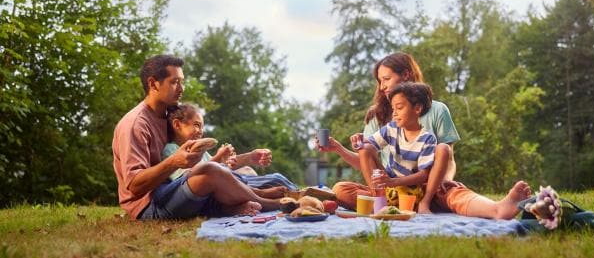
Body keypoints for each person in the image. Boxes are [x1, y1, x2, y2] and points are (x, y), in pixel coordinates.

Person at [112, 54, 279, 220]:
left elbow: (208, 164)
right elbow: (134, 185)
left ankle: (246, 202)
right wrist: (173, 162)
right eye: (174, 82)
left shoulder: (168, 116)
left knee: (249, 173)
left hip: (175, 188)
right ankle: (269, 203)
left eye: (182, 81)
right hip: (149, 206)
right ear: (153, 84)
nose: (181, 88)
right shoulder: (135, 124)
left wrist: (248, 157)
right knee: (211, 171)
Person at [359, 82, 531, 219]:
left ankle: (497, 209)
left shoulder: (429, 132)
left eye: (399, 107)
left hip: (423, 190)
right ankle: (377, 203)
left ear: (417, 108)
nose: (394, 114)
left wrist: (444, 180)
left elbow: (431, 170)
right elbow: (367, 149)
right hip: (389, 193)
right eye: (393, 108)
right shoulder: (390, 129)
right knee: (343, 189)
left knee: (451, 187)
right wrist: (354, 144)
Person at [317, 52, 459, 213]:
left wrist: (445, 181)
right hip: (389, 187)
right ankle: (391, 203)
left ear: (406, 75)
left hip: (426, 186)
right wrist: (338, 148)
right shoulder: (377, 115)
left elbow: (448, 158)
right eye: (379, 81)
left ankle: (413, 203)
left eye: (386, 79)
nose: (382, 86)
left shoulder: (438, 110)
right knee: (341, 189)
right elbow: (366, 161)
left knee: (454, 194)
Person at [162, 103, 298, 198]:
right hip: (212, 192)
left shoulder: (199, 149)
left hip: (224, 183)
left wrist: (249, 158)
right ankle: (300, 196)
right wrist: (219, 158)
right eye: (197, 125)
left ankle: (302, 195)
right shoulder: (172, 150)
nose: (201, 132)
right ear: (177, 125)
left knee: (247, 170)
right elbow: (192, 177)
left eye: (202, 127)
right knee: (276, 179)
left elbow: (219, 167)